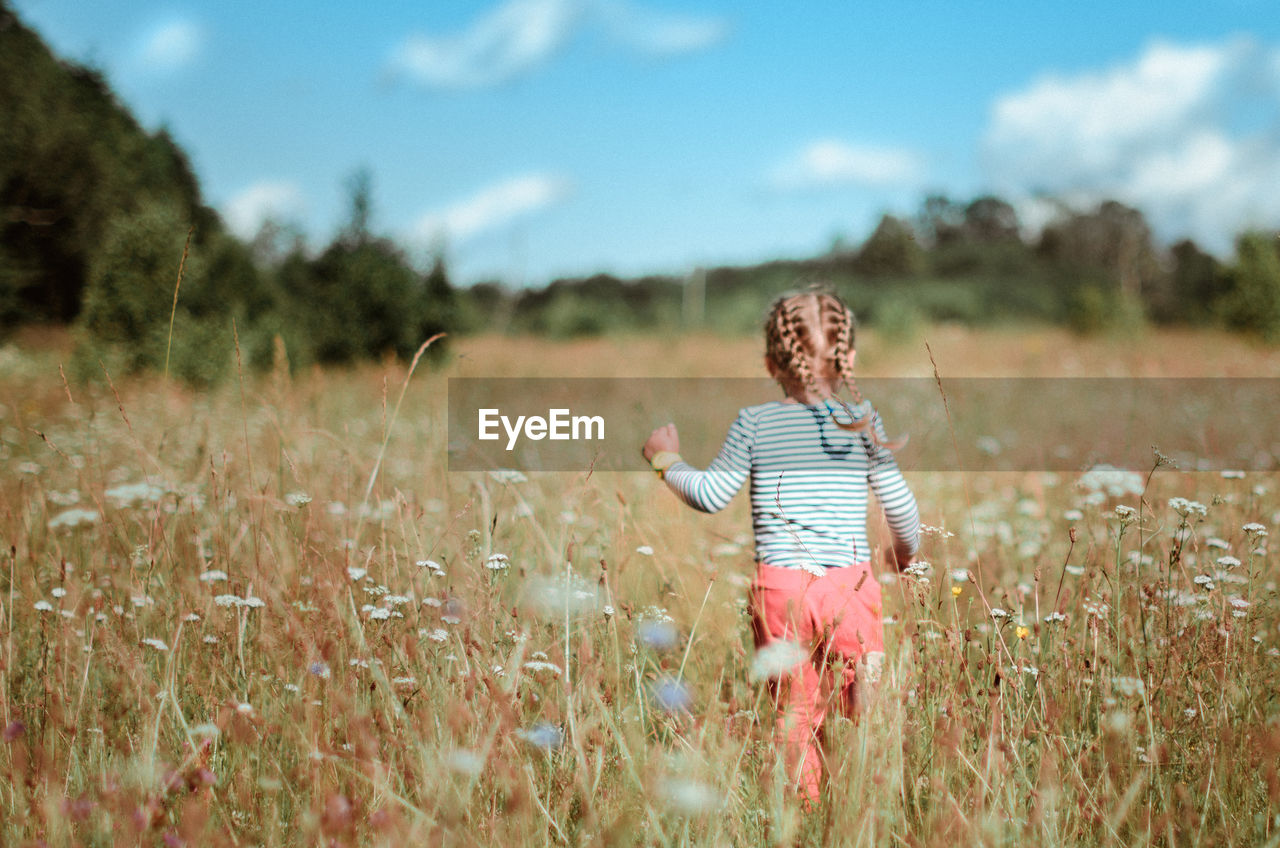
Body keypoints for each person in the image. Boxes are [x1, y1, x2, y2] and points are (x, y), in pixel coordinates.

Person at [641, 289, 920, 805]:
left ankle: (804, 818)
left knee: (794, 719)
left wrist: (665, 460)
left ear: (771, 363)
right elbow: (902, 509)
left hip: (779, 590)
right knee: (862, 714)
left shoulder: (755, 423)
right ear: (849, 357)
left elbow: (708, 494)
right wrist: (903, 556)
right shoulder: (862, 422)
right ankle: (857, 813)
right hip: (851, 586)